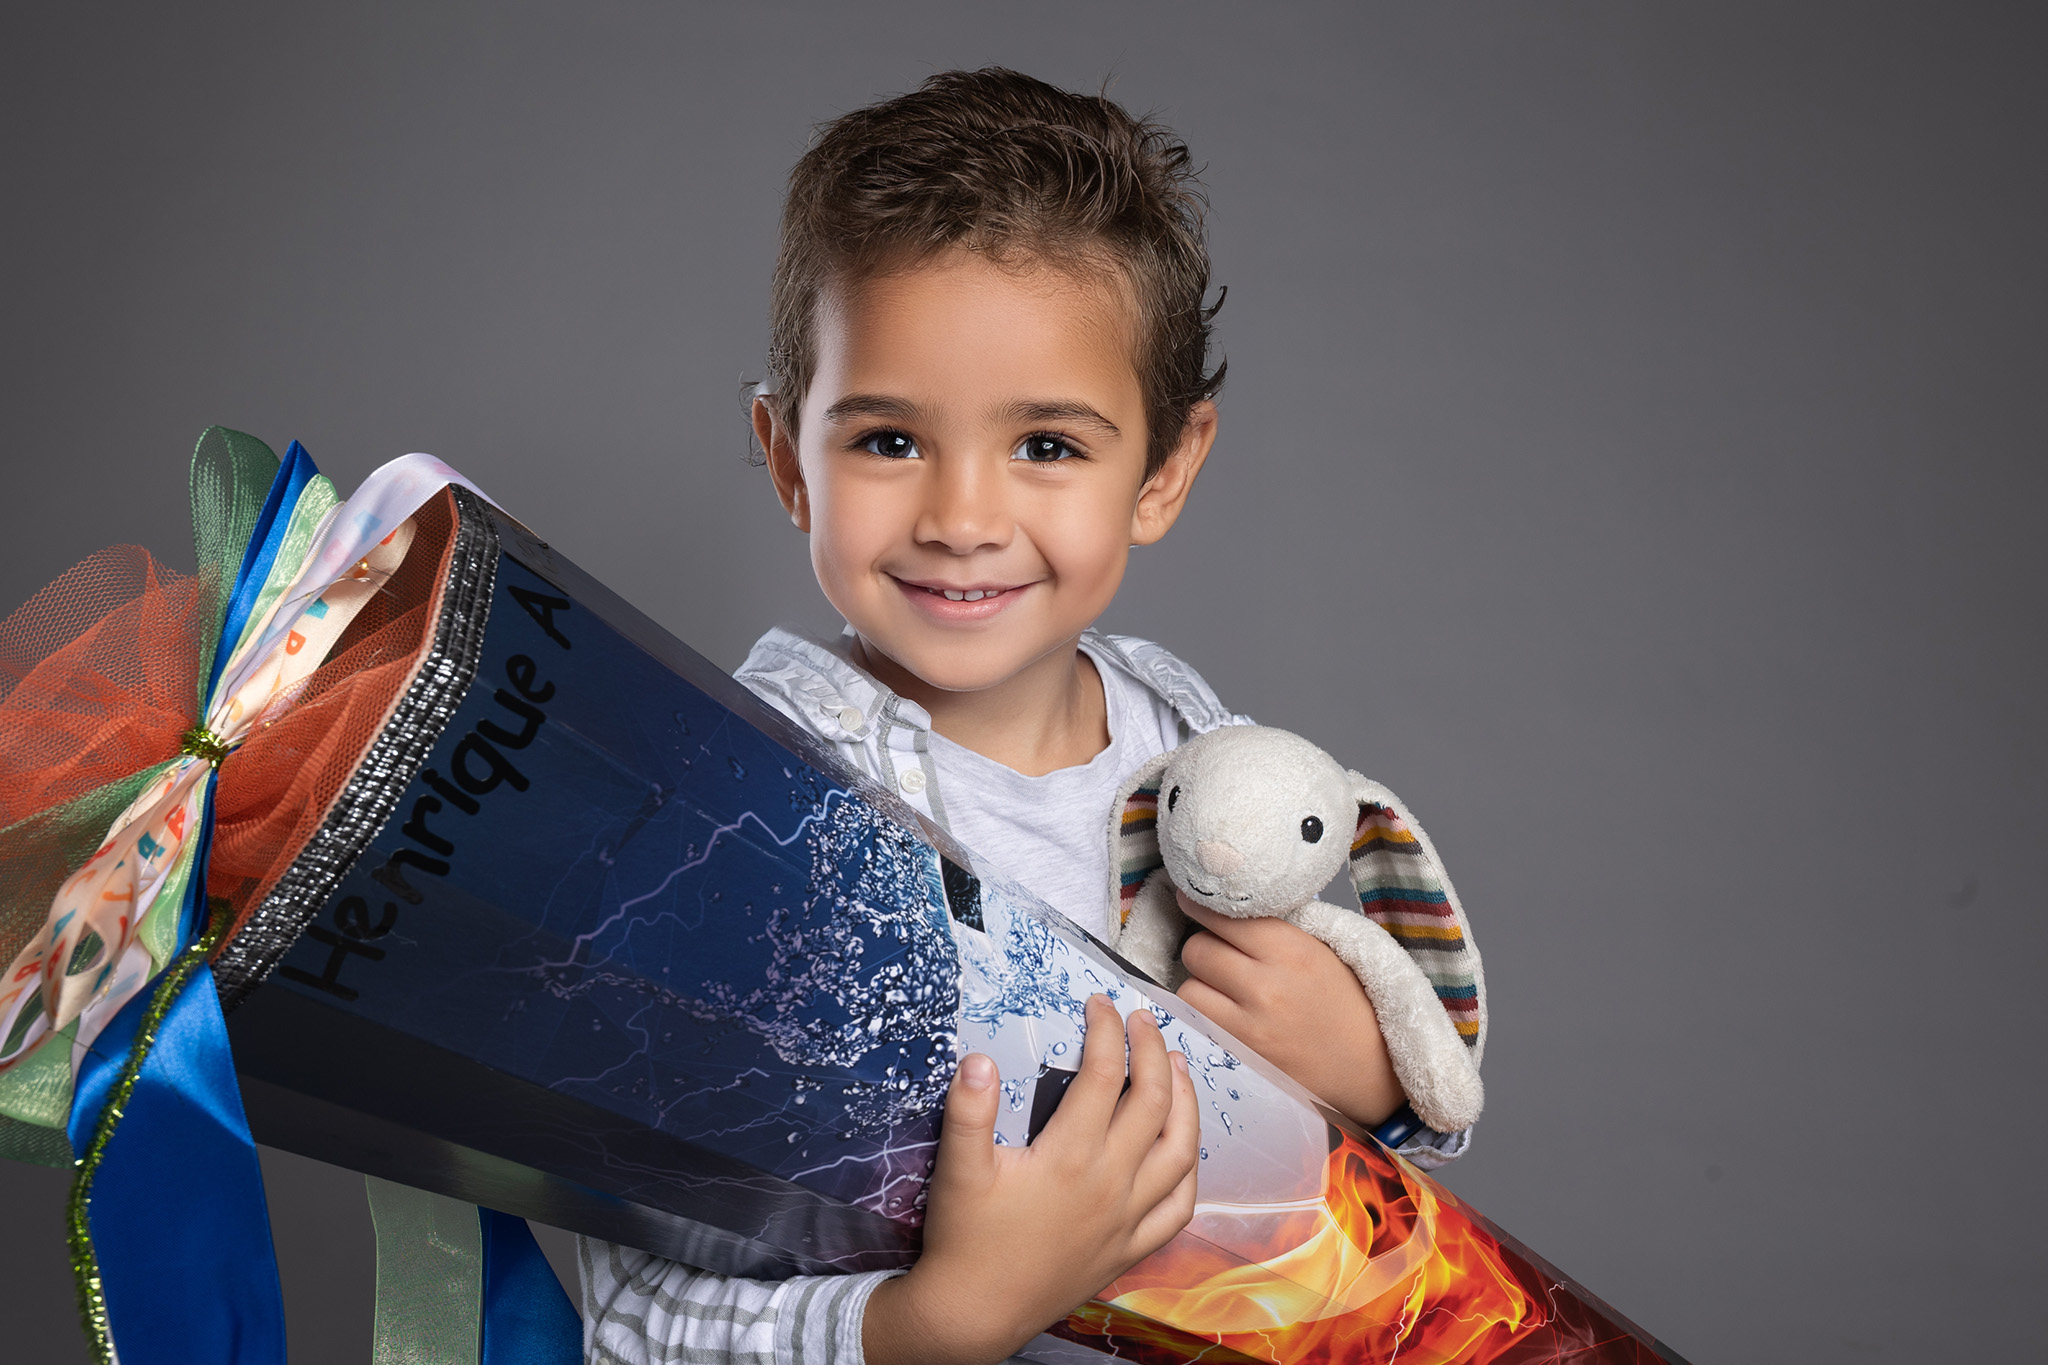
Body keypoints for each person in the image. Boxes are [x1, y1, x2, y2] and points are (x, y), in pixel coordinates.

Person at [579, 68, 1473, 1365]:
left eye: (1047, 445)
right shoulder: (733, 812)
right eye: (889, 441)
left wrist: (1369, 1071)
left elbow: (1330, 1192)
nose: (962, 517)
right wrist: (944, 1317)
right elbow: (641, 1318)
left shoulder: (1190, 736)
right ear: (786, 457)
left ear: (1162, 469)